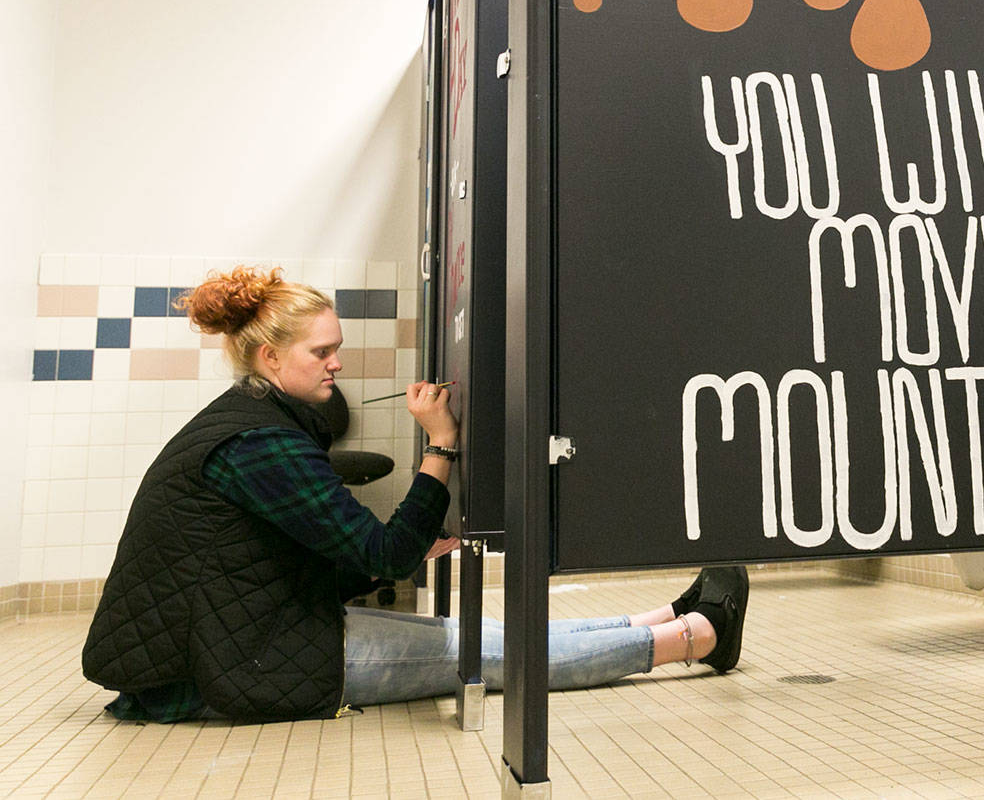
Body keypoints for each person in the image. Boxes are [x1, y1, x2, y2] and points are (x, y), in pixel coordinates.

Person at [81, 266, 748, 723]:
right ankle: (699, 637)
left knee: (481, 636)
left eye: (336, 348)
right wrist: (441, 443)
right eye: (322, 352)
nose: (337, 363)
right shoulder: (259, 443)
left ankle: (663, 616)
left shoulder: (250, 422)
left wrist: (391, 552)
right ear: (271, 359)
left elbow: (284, 559)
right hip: (236, 664)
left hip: (242, 636)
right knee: (487, 652)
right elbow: (388, 553)